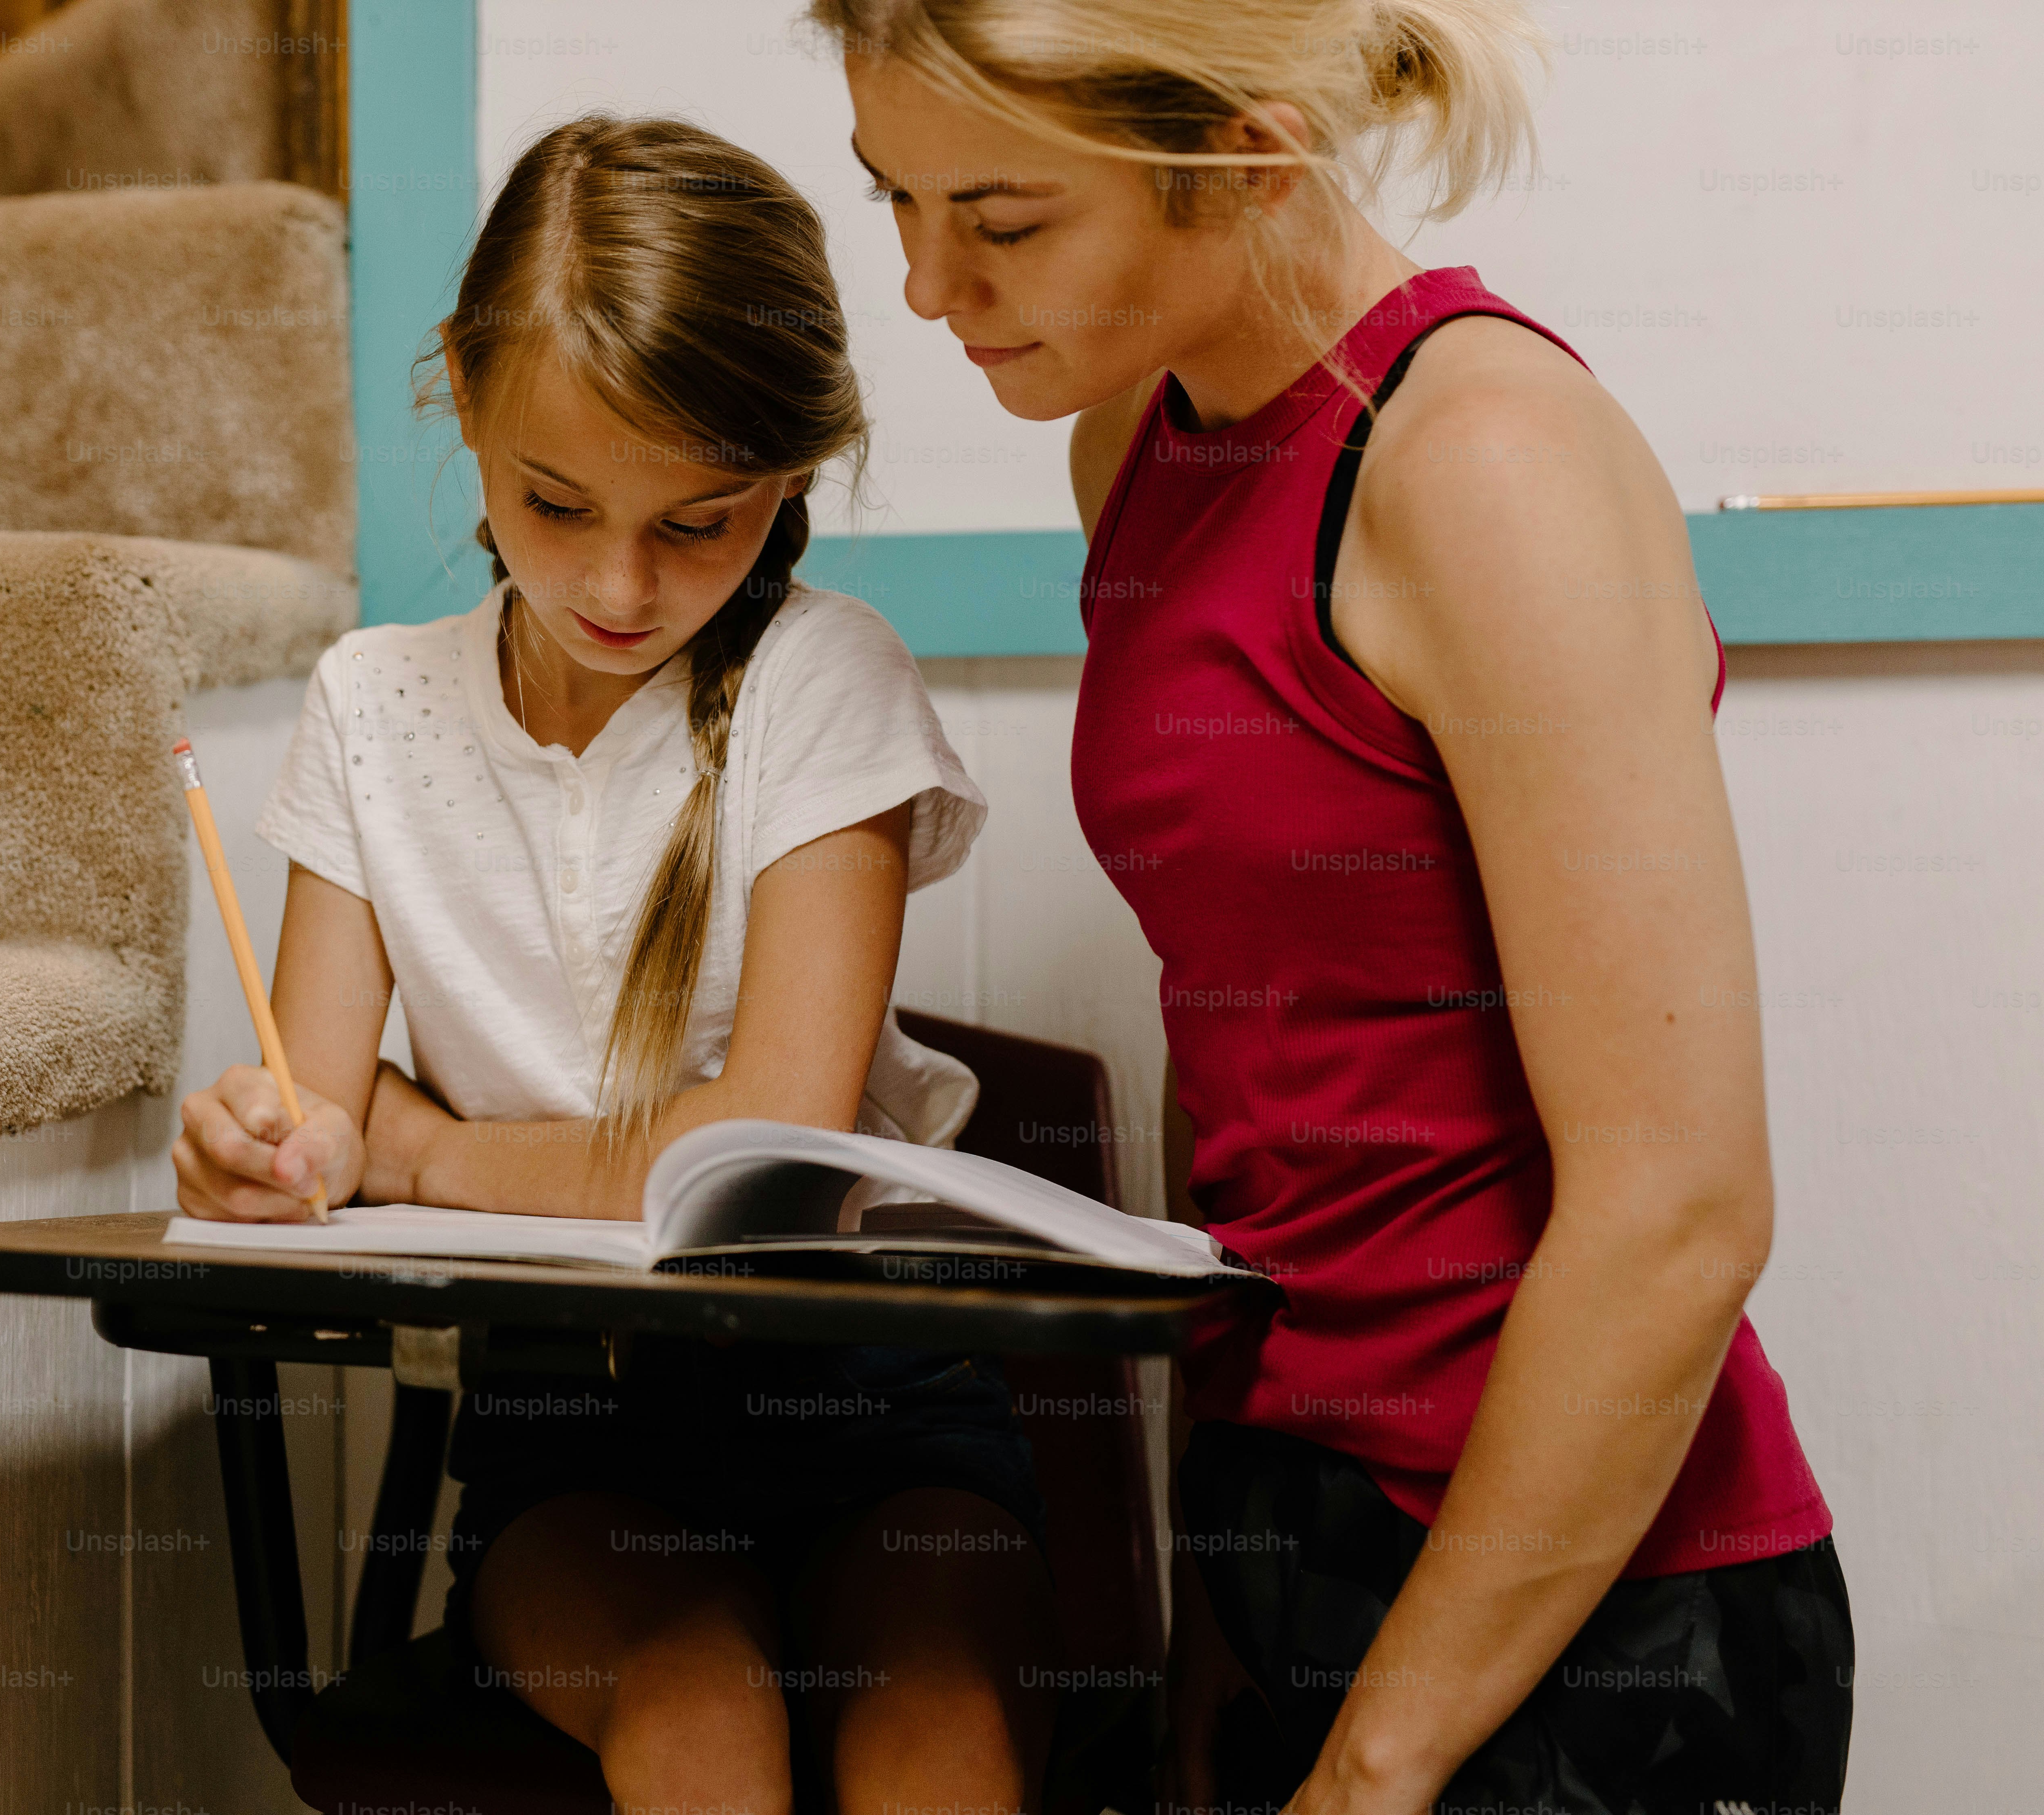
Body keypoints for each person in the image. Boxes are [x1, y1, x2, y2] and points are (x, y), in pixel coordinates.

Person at [824, 2, 1853, 1811]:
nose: (926, 289)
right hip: (1298, 1542)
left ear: (1250, 151)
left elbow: (1682, 1209)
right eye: (891, 202)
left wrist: (1375, 1766)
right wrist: (1227, 1612)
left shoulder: (1482, 462)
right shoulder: (1135, 443)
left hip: (1587, 1614)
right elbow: (1264, 1070)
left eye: (999, 223)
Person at [172, 115, 1061, 1813]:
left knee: (935, 1751)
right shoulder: (374, 705)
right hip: (569, 1435)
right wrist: (273, 1149)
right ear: (462, 397)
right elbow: (324, 1103)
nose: (620, 583)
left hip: (884, 1414)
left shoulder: (824, 681)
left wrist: (430, 1147)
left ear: (795, 475)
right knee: (698, 1718)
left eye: (701, 521)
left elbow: (768, 1162)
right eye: (554, 504)